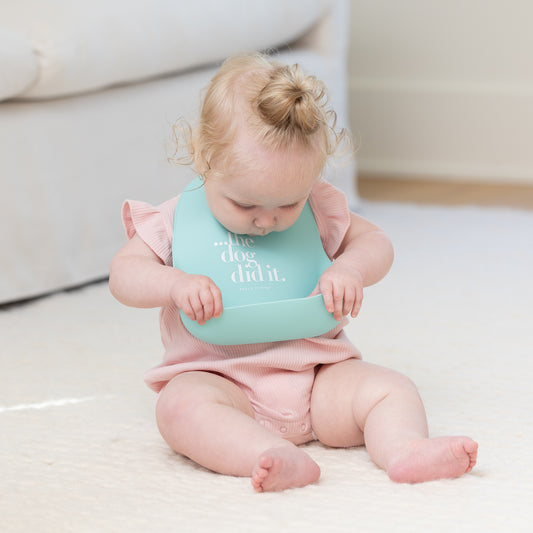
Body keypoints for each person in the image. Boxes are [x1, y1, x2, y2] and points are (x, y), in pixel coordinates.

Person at [109, 52, 478, 492]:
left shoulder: (318, 207)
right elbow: (124, 273)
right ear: (203, 156)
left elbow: (376, 242)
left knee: (391, 388)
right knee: (179, 408)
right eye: (245, 204)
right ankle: (266, 453)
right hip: (221, 380)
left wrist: (350, 267)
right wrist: (174, 284)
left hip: (319, 376)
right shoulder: (175, 220)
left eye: (288, 204)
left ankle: (404, 448)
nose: (267, 220)